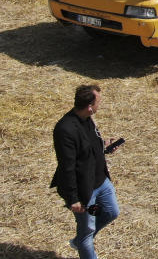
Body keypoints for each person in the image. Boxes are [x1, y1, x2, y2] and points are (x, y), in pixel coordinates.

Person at [51, 85, 121, 259]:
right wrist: (73, 198)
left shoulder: (87, 118)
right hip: (85, 191)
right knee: (87, 232)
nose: (100, 105)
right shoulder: (65, 129)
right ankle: (83, 240)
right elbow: (67, 167)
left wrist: (103, 146)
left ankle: (81, 239)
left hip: (101, 181)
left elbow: (87, 148)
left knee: (111, 212)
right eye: (98, 102)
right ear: (90, 106)